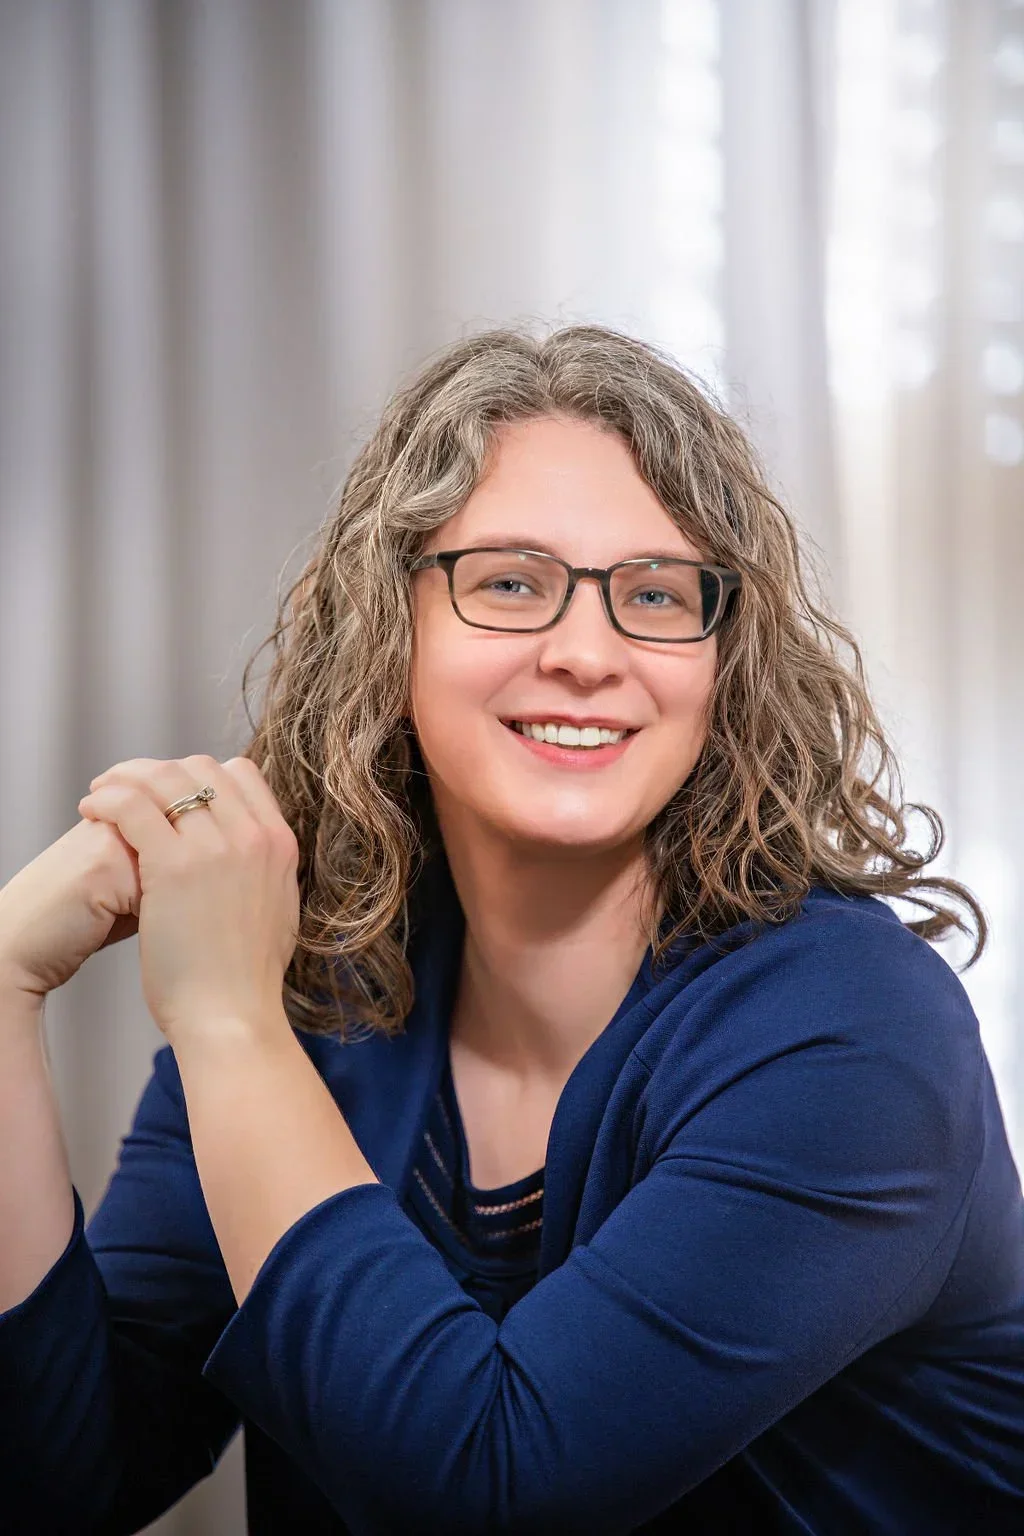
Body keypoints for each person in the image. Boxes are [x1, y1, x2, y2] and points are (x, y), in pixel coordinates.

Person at [0, 323, 1021, 1535]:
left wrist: (223, 1021)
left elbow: (490, 1488)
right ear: (390, 637)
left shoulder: (852, 1030)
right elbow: (55, 1482)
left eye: (652, 594)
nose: (586, 652)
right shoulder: (315, 1004)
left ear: (720, 665)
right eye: (509, 583)